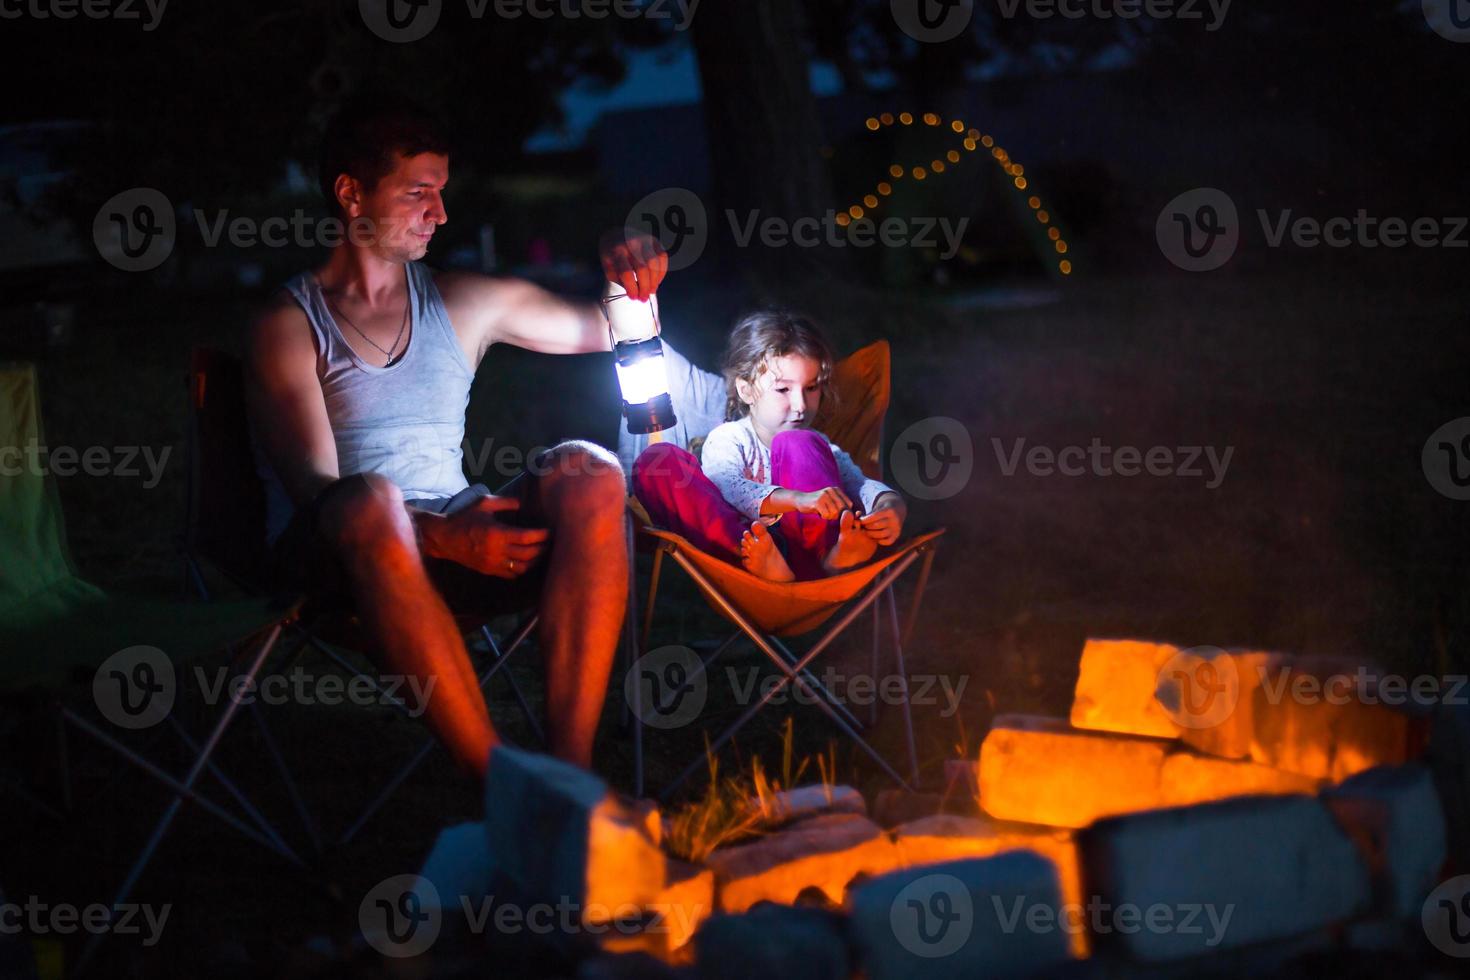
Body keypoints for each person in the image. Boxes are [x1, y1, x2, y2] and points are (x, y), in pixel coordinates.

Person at [245, 94, 666, 779]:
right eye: (418, 194)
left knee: (590, 471)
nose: (439, 214)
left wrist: (629, 271)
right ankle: (498, 785)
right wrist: (441, 536)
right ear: (352, 193)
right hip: (338, 564)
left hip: (461, 536)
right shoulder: (289, 325)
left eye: (441, 193)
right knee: (368, 500)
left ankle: (570, 776)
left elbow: (612, 330)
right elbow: (319, 496)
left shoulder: (460, 300)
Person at [632, 309, 907, 582]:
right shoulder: (730, 438)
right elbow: (728, 487)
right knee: (656, 463)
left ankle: (829, 559)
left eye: (812, 388)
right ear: (746, 390)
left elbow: (857, 483)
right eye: (783, 389)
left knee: (800, 442)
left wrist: (890, 504)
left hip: (809, 555)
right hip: (746, 549)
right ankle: (758, 558)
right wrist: (798, 500)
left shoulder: (815, 445)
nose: (801, 406)